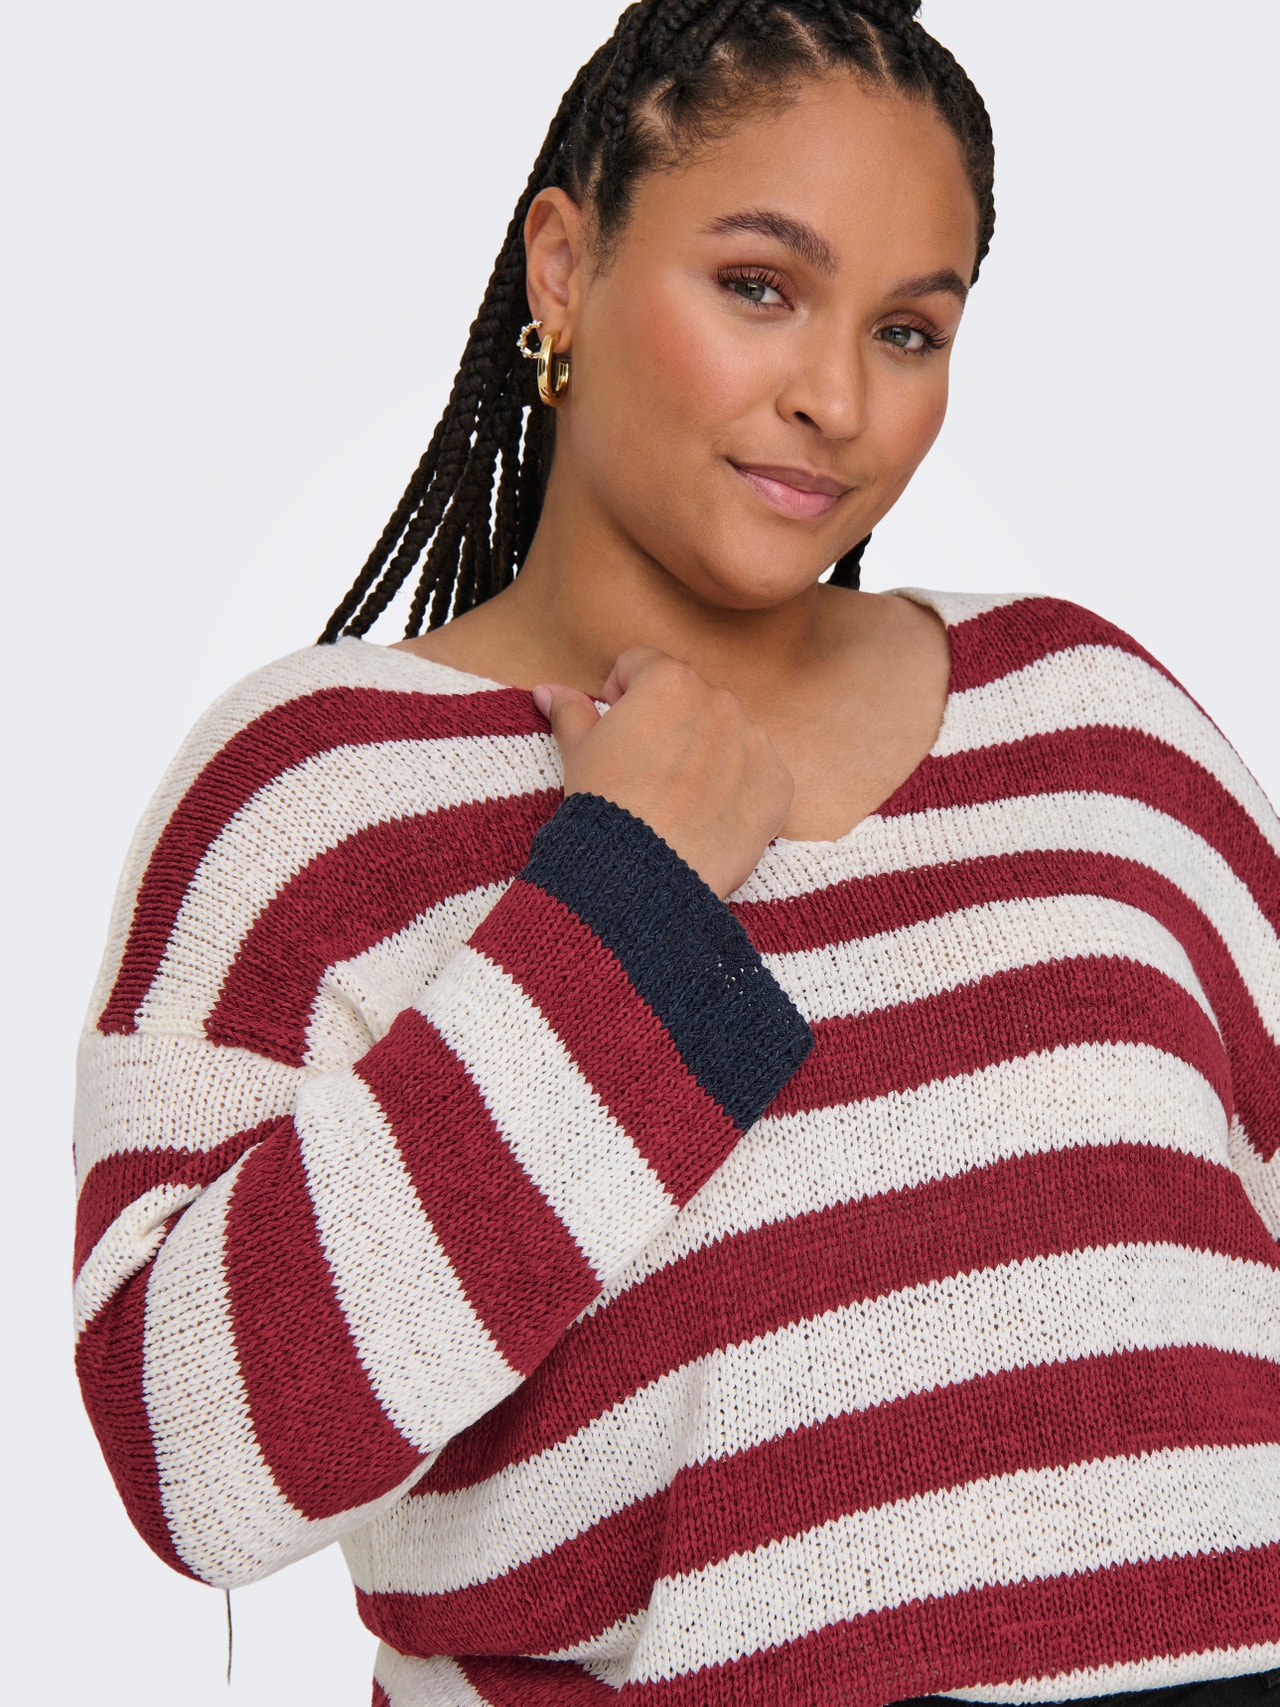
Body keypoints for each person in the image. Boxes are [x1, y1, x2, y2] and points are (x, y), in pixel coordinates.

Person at [72, 2, 1280, 1704]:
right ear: (563, 268)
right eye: (759, 287)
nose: (836, 399)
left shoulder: (1090, 718)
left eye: (909, 330)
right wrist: (625, 893)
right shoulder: (314, 797)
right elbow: (192, 1454)